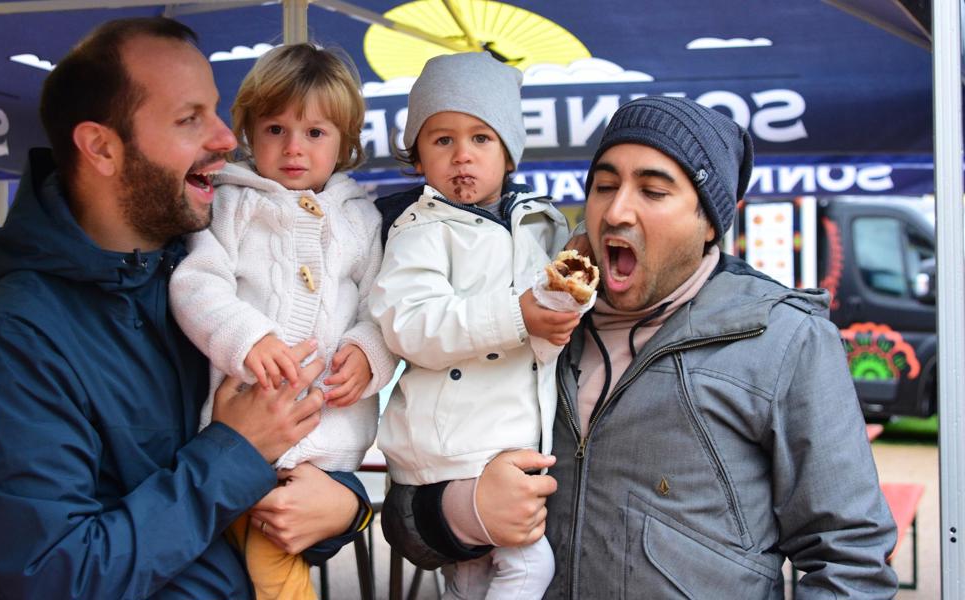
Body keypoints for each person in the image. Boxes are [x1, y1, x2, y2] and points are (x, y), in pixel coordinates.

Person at [381, 96, 899, 598]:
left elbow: (850, 560)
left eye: (653, 191)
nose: (616, 210)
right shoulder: (539, 321)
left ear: (710, 222)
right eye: (604, 186)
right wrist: (463, 510)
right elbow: (405, 525)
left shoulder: (784, 337)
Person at [0, 18, 370, 599]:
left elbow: (273, 496)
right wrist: (234, 452)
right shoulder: (13, 343)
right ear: (102, 147)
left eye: (217, 111)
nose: (225, 138)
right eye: (190, 118)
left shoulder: (206, 280)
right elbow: (58, 578)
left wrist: (346, 503)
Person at [169, 42, 396, 600]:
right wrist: (246, 337)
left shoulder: (361, 219)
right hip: (241, 437)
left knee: (269, 560)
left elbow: (385, 307)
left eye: (315, 133)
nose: (294, 148)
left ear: (345, 142)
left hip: (327, 450)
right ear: (247, 131)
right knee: (256, 571)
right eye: (275, 129)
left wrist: (371, 351)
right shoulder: (230, 204)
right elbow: (196, 283)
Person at [369, 52, 581, 599]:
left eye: (481, 139)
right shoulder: (418, 228)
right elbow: (409, 325)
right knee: (529, 566)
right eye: (442, 140)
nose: (462, 154)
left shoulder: (540, 225)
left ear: (509, 152)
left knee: (470, 579)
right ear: (417, 154)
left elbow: (554, 311)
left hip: (507, 438)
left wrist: (561, 315)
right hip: (451, 446)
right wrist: (519, 316)